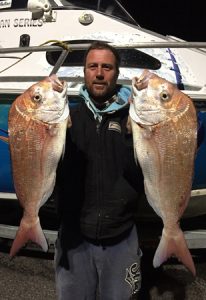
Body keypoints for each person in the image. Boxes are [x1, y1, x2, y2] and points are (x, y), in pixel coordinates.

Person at [55, 41, 144, 300]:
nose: (99, 73)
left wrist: (132, 137)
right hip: (74, 235)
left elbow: (141, 176)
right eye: (93, 66)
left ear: (116, 74)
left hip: (122, 235)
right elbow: (54, 174)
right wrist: (57, 134)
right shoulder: (69, 118)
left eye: (107, 67)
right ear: (84, 72)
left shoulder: (132, 118)